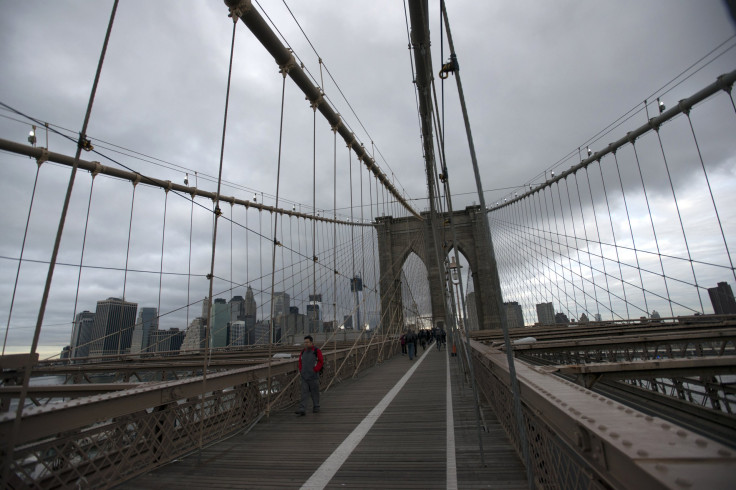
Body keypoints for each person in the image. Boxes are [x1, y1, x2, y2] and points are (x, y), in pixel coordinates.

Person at [295, 335, 323, 416]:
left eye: (307, 342)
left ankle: (316, 407)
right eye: (305, 342)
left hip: (313, 375)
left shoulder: (317, 351)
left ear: (311, 342)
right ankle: (302, 409)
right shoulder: (303, 351)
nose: (306, 344)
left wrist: (315, 370)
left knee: (315, 392)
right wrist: (301, 370)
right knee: (304, 392)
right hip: (304, 375)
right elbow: (300, 361)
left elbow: (321, 361)